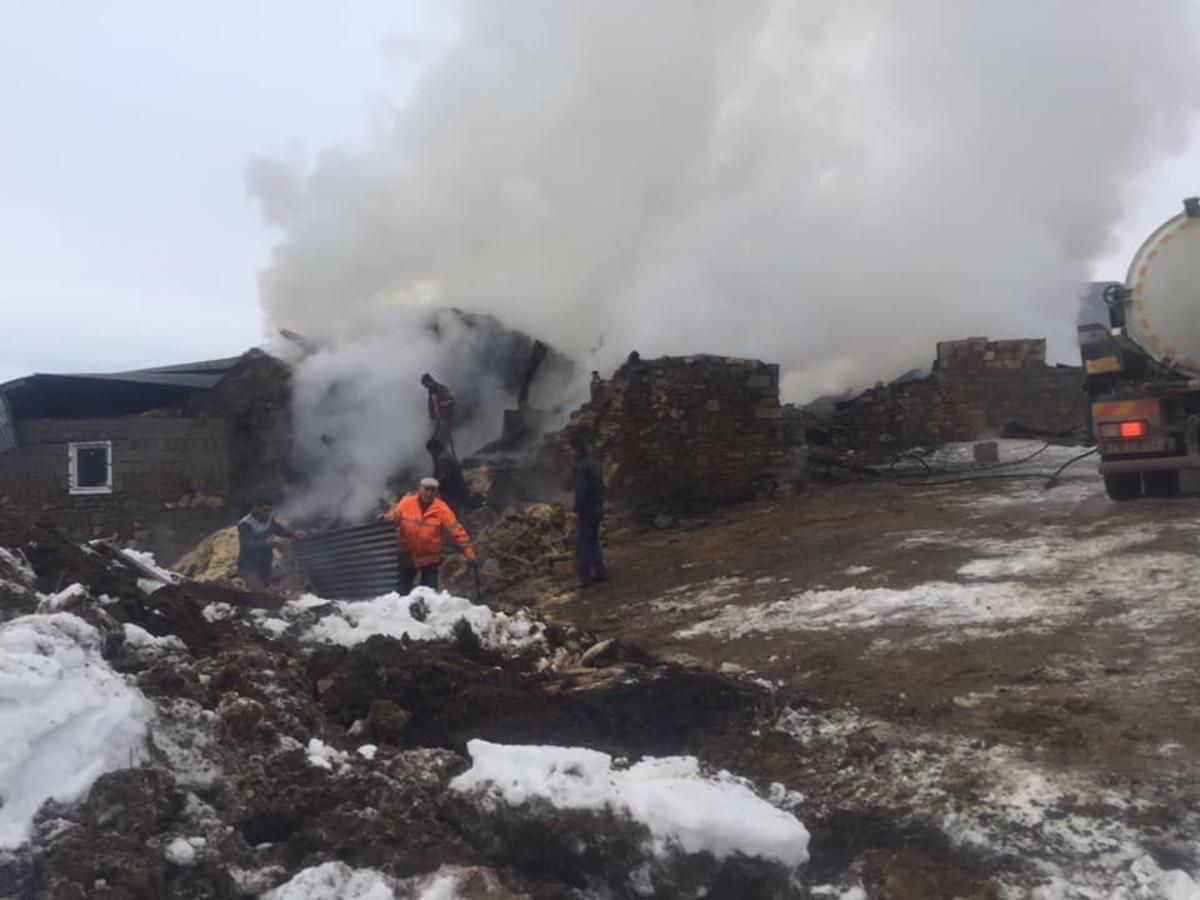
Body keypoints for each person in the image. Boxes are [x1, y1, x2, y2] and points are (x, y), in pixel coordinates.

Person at [381, 477, 477, 594]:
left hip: (429, 559)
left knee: (429, 596)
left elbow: (457, 532)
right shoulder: (407, 502)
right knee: (401, 593)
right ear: (420, 489)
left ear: (436, 492)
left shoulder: (442, 509)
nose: (429, 493)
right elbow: (394, 516)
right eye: (426, 489)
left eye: (432, 490)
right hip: (407, 555)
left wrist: (470, 555)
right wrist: (384, 519)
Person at [237, 499, 303, 590]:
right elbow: (246, 545)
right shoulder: (246, 524)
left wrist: (293, 533)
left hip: (265, 563)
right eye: (265, 510)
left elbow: (279, 529)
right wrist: (264, 543)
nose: (268, 513)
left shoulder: (268, 519)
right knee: (256, 592)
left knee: (275, 583)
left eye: (270, 510)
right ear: (256, 509)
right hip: (250, 566)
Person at [569, 435, 607, 586]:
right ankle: (600, 573)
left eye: (571, 450)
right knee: (593, 542)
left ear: (577, 450)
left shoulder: (582, 467)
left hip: (588, 509)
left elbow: (581, 490)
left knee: (584, 543)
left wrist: (576, 508)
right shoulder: (594, 464)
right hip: (598, 507)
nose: (570, 453)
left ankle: (585, 577)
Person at [426, 438, 471, 517]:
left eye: (430, 452)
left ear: (433, 450)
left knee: (452, 516)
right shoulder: (447, 455)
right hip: (459, 491)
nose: (430, 454)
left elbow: (445, 477)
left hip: (455, 494)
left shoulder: (442, 460)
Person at [421, 373, 456, 453]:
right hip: (437, 422)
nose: (425, 387)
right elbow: (431, 408)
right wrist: (431, 417)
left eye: (425, 384)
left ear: (430, 381)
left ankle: (448, 460)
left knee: (443, 442)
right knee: (433, 442)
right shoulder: (430, 393)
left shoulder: (441, 388)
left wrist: (444, 404)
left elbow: (451, 401)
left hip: (445, 419)